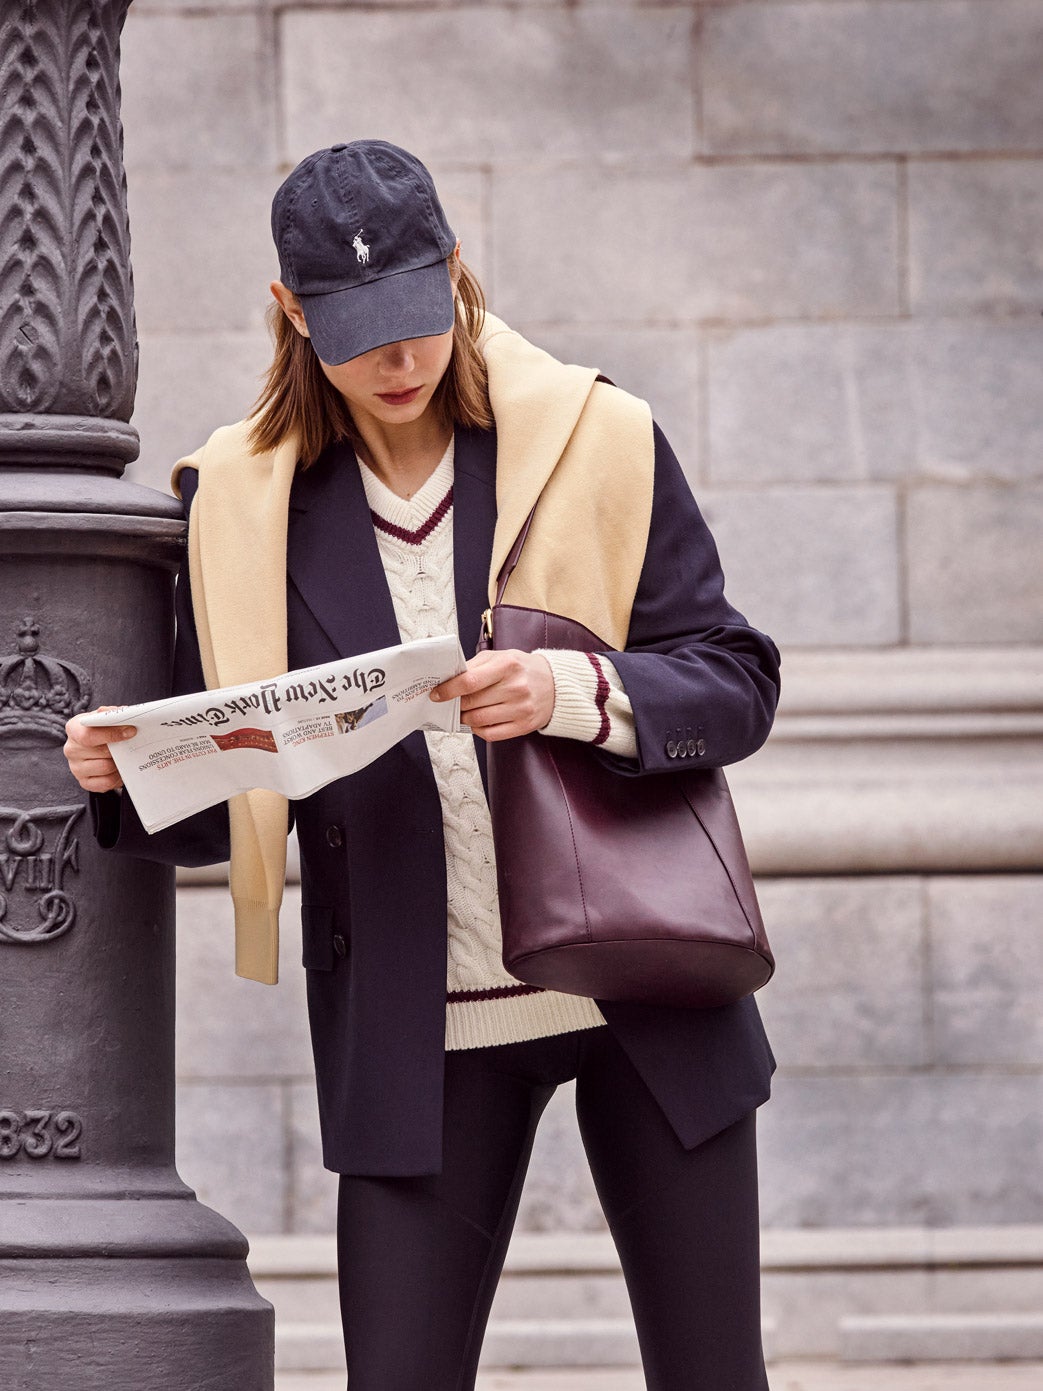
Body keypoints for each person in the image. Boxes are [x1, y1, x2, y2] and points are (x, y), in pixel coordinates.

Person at [64, 140, 781, 1391]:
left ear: (454, 271)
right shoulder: (240, 503)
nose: (398, 362)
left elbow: (735, 678)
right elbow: (232, 807)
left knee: (712, 1375)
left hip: (644, 977)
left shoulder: (596, 436)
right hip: (414, 1018)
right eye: (359, 336)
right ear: (292, 312)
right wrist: (131, 770)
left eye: (416, 319)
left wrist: (569, 691)